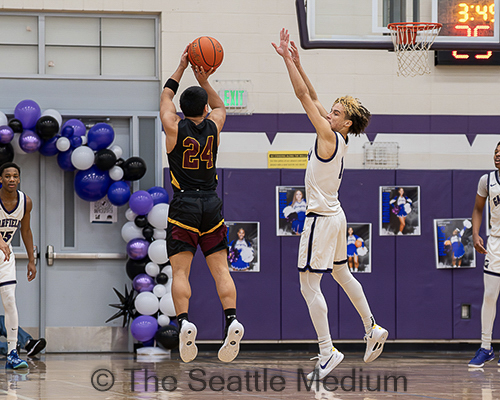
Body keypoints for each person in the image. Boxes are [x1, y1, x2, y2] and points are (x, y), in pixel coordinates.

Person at [272, 29, 388, 380]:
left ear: (345, 122)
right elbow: (313, 93)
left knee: (308, 285)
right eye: (332, 111)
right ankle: (371, 328)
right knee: (341, 272)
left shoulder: (327, 135)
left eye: (336, 112)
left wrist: (287, 61)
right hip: (337, 216)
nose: (330, 113)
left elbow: (301, 96)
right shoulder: (339, 136)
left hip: (321, 219)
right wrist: (299, 63)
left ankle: (327, 350)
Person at [160, 47, 244, 363]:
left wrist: (181, 67)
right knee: (221, 267)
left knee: (181, 269)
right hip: (211, 203)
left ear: (181, 109)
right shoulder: (215, 124)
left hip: (184, 205)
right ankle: (232, 319)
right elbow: (221, 105)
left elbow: (165, 98)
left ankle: (183, 323)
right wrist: (205, 80)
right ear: (204, 108)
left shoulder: (173, 125)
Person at [0, 162, 36, 369]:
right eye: (7, 176)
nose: (11, 179)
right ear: (1, 179)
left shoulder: (25, 201)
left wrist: (31, 259)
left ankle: (12, 353)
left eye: (15, 176)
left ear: (19, 179)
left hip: (5, 256)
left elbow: (26, 231)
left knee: (10, 301)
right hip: (1, 247)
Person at [469, 141, 500, 367]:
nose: (497, 156)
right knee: (489, 295)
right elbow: (478, 209)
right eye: (495, 152)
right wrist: (476, 234)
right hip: (496, 243)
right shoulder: (486, 180)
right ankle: (486, 347)